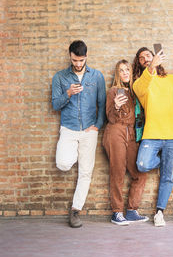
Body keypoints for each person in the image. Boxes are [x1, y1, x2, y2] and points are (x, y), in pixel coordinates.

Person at [133, 47, 173, 227]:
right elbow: (141, 87)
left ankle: (159, 212)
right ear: (139, 63)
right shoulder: (140, 84)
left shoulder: (172, 80)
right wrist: (151, 69)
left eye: (148, 55)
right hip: (151, 135)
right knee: (142, 164)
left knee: (168, 176)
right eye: (141, 58)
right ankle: (163, 161)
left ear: (157, 57)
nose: (145, 59)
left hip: (172, 136)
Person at [51, 40, 106, 228]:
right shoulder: (60, 77)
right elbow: (55, 105)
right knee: (63, 163)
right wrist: (68, 93)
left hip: (90, 130)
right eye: (75, 60)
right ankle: (73, 152)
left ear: (86, 57)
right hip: (68, 128)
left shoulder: (97, 76)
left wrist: (98, 125)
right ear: (70, 57)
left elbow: (102, 103)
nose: (78, 64)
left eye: (81, 60)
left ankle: (75, 210)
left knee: (85, 172)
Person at [102, 59, 148, 226]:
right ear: (118, 74)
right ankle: (117, 212)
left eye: (127, 69)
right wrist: (115, 106)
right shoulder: (114, 91)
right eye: (121, 71)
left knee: (140, 173)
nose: (125, 73)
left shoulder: (135, 91)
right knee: (118, 172)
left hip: (132, 134)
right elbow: (110, 118)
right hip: (116, 131)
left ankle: (131, 210)